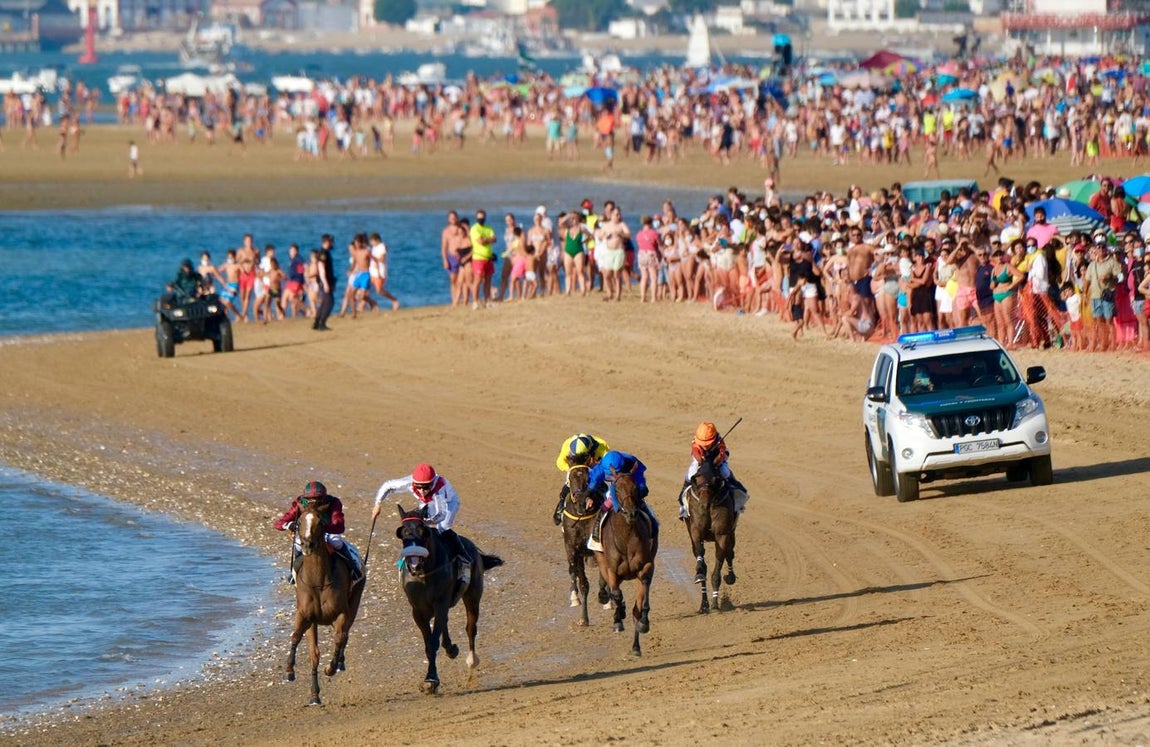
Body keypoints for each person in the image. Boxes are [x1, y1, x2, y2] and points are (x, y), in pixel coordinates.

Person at [372, 463, 470, 582]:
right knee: (415, 528)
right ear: (414, 483)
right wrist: (378, 503)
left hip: (448, 503)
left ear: (432, 483)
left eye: (426, 487)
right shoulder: (409, 483)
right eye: (418, 487)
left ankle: (464, 559)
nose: (422, 491)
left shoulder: (438, 490)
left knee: (442, 528)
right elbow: (388, 486)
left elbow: (441, 514)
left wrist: (425, 522)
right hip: (428, 502)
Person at [273, 481, 363, 585]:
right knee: (297, 545)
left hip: (327, 531)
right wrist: (288, 525)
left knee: (336, 541)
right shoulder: (299, 503)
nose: (313, 504)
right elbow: (279, 523)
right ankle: (294, 573)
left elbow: (339, 526)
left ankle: (353, 567)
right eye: (310, 500)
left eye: (318, 500)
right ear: (305, 499)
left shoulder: (333, 502)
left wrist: (319, 528)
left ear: (324, 498)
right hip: (307, 533)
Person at [585, 450, 658, 546]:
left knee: (641, 504)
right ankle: (597, 528)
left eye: (618, 472)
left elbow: (641, 482)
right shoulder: (601, 468)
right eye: (612, 473)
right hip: (616, 487)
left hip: (630, 484)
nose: (615, 474)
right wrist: (589, 496)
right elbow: (593, 483)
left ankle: (653, 526)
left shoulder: (632, 463)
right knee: (608, 501)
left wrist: (640, 490)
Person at [678, 422, 749, 520]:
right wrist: (701, 459)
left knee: (725, 472)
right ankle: (683, 504)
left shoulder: (719, 440)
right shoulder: (695, 441)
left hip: (717, 462)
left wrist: (718, 459)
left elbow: (723, 452)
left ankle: (737, 494)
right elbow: (695, 451)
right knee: (691, 473)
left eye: (708, 443)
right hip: (700, 462)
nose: (705, 446)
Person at [552, 433, 611, 525]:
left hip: (594, 467)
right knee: (570, 483)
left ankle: (607, 509)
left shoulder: (601, 446)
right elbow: (560, 463)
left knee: (603, 487)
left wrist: (594, 467)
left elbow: (607, 464)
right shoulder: (567, 445)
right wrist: (574, 470)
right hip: (575, 467)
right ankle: (561, 505)